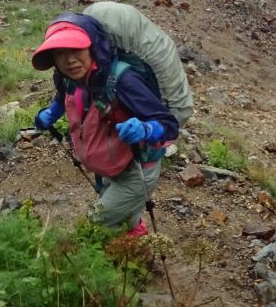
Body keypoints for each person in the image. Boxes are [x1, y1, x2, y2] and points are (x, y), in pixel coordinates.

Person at [31, 13, 180, 236]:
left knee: (94, 226)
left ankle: (114, 259)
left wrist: (146, 129)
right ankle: (134, 248)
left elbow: (169, 125)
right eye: (61, 53)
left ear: (93, 48)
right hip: (108, 168)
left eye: (76, 50)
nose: (69, 60)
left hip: (136, 170)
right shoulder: (66, 77)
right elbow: (63, 98)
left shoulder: (123, 79)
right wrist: (51, 113)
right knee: (122, 217)